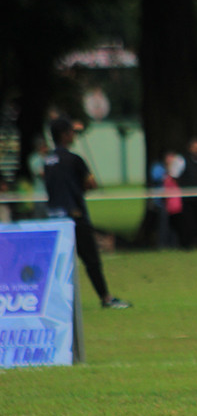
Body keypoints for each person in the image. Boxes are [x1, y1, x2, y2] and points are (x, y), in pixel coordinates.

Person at [43, 118, 131, 309]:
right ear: (65, 134)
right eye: (71, 132)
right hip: (74, 216)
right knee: (91, 259)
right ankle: (106, 298)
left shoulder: (47, 161)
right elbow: (91, 183)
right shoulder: (74, 159)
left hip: (53, 216)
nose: (73, 135)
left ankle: (53, 301)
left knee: (57, 263)